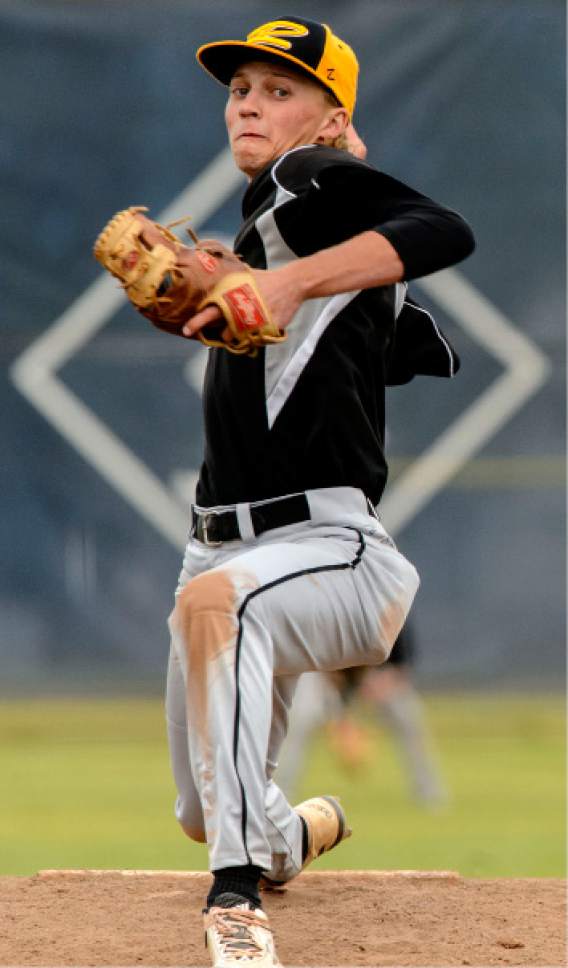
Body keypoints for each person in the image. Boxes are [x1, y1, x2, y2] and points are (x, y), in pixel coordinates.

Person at [165, 15, 475, 966]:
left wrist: (292, 282)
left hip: (328, 551)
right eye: (239, 90)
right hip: (220, 545)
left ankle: (236, 903)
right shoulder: (280, 218)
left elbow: (442, 230)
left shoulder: (306, 181)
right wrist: (252, 280)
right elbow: (416, 346)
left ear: (331, 119)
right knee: (201, 803)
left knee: (226, 610)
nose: (250, 104)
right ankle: (294, 835)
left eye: (279, 90)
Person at [276, 626, 449, 810]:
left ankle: (429, 791)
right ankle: (280, 794)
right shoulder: (328, 604)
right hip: (325, 674)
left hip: (375, 676)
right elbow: (311, 651)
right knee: (302, 714)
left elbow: (401, 664)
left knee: (407, 715)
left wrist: (382, 681)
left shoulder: (388, 606)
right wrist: (340, 717)